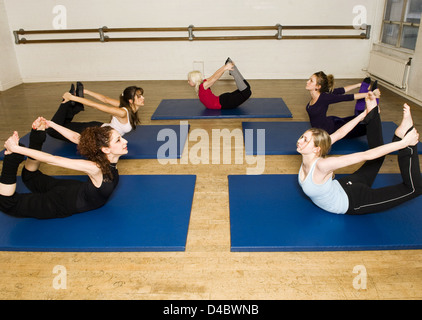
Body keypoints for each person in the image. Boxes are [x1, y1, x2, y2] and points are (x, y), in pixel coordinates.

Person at [297, 91, 421, 215]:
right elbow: (339, 134)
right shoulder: (311, 155)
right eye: (302, 137)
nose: (300, 141)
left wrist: (404, 144)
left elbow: (365, 155)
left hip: (354, 200)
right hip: (346, 184)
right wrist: (363, 115)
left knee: (414, 189)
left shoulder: (322, 165)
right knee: (377, 159)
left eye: (305, 139)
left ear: (316, 149)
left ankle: (405, 140)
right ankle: (374, 115)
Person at [0, 117, 127, 219]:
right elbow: (54, 159)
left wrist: (51, 124)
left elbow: (76, 137)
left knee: (30, 177)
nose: (125, 141)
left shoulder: (101, 155)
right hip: (61, 203)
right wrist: (17, 149)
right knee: (7, 203)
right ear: (105, 149)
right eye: (118, 140)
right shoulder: (96, 168)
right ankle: (12, 158)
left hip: (71, 189)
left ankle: (36, 139)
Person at [47, 82, 144, 143]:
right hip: (94, 133)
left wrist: (85, 91)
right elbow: (96, 105)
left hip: (99, 129)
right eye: (139, 97)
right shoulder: (122, 112)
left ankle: (72, 103)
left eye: (141, 95)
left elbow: (105, 99)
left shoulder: (127, 106)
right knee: (52, 130)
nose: (143, 98)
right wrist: (72, 97)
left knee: (65, 125)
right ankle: (67, 102)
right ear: (131, 101)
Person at [306, 71, 380, 139]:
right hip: (331, 121)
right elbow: (341, 90)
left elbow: (347, 97)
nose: (307, 82)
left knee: (365, 129)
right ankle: (363, 110)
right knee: (355, 118)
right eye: (309, 79)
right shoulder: (321, 94)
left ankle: (373, 110)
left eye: (311, 81)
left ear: (318, 87)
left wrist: (370, 94)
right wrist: (358, 85)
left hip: (331, 130)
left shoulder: (324, 97)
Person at [187, 58, 252, 110]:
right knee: (247, 89)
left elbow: (215, 78)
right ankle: (233, 68)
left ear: (194, 80)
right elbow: (214, 76)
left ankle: (233, 71)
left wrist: (225, 67)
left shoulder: (203, 86)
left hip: (224, 103)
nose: (188, 82)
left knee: (246, 92)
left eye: (189, 80)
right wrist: (225, 66)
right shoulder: (203, 84)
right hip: (223, 100)